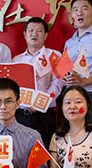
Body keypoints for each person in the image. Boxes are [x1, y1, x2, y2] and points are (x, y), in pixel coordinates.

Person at [12, 16, 63, 147]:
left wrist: (40, 103)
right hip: (20, 114)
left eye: (39, 30)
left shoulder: (54, 56)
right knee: (19, 149)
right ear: (25, 34)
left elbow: (57, 84)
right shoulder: (16, 60)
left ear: (45, 35)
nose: (34, 34)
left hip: (43, 114)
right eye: (31, 30)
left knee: (43, 150)